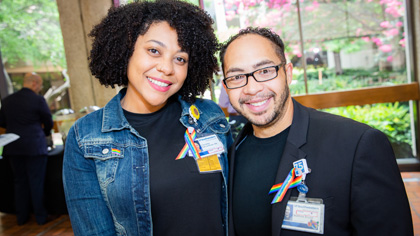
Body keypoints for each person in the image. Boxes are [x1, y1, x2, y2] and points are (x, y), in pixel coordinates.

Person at [220, 27, 413, 235]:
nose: (252, 88)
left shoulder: (357, 145)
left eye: (265, 71)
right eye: (237, 77)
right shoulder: (230, 153)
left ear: (288, 72)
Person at [62, 1, 232, 236]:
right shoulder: (86, 137)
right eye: (154, 51)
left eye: (180, 59)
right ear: (125, 49)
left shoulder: (209, 117)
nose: (166, 68)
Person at [0, 72, 53, 225]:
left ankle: (21, 217)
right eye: (40, 85)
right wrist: (44, 133)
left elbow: (2, 122)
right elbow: (48, 121)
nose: (40, 88)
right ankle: (41, 217)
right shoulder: (38, 100)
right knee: (36, 182)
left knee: (19, 182)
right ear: (35, 83)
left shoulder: (7, 100)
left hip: (13, 146)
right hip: (34, 146)